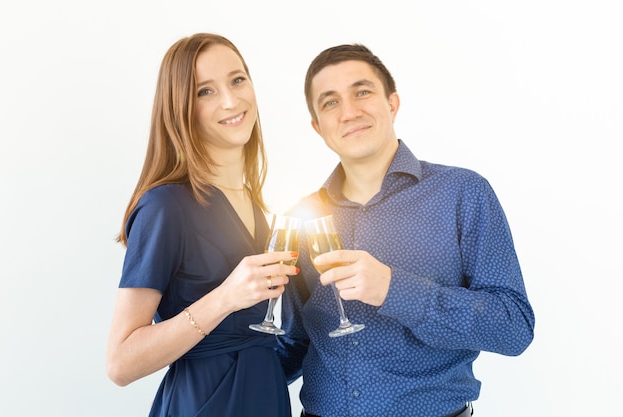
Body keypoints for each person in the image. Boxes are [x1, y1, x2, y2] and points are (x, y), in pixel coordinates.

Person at [277, 44, 535, 417]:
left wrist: (393, 289)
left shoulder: (463, 193)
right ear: (318, 127)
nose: (349, 111)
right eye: (330, 102)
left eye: (362, 91)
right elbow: (297, 343)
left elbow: (514, 328)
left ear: (392, 103)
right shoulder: (301, 219)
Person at [105, 33, 298, 417]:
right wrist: (225, 297)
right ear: (181, 108)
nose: (230, 100)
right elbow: (119, 364)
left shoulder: (258, 206)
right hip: (205, 405)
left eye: (237, 80)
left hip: (265, 399)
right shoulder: (166, 205)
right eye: (205, 91)